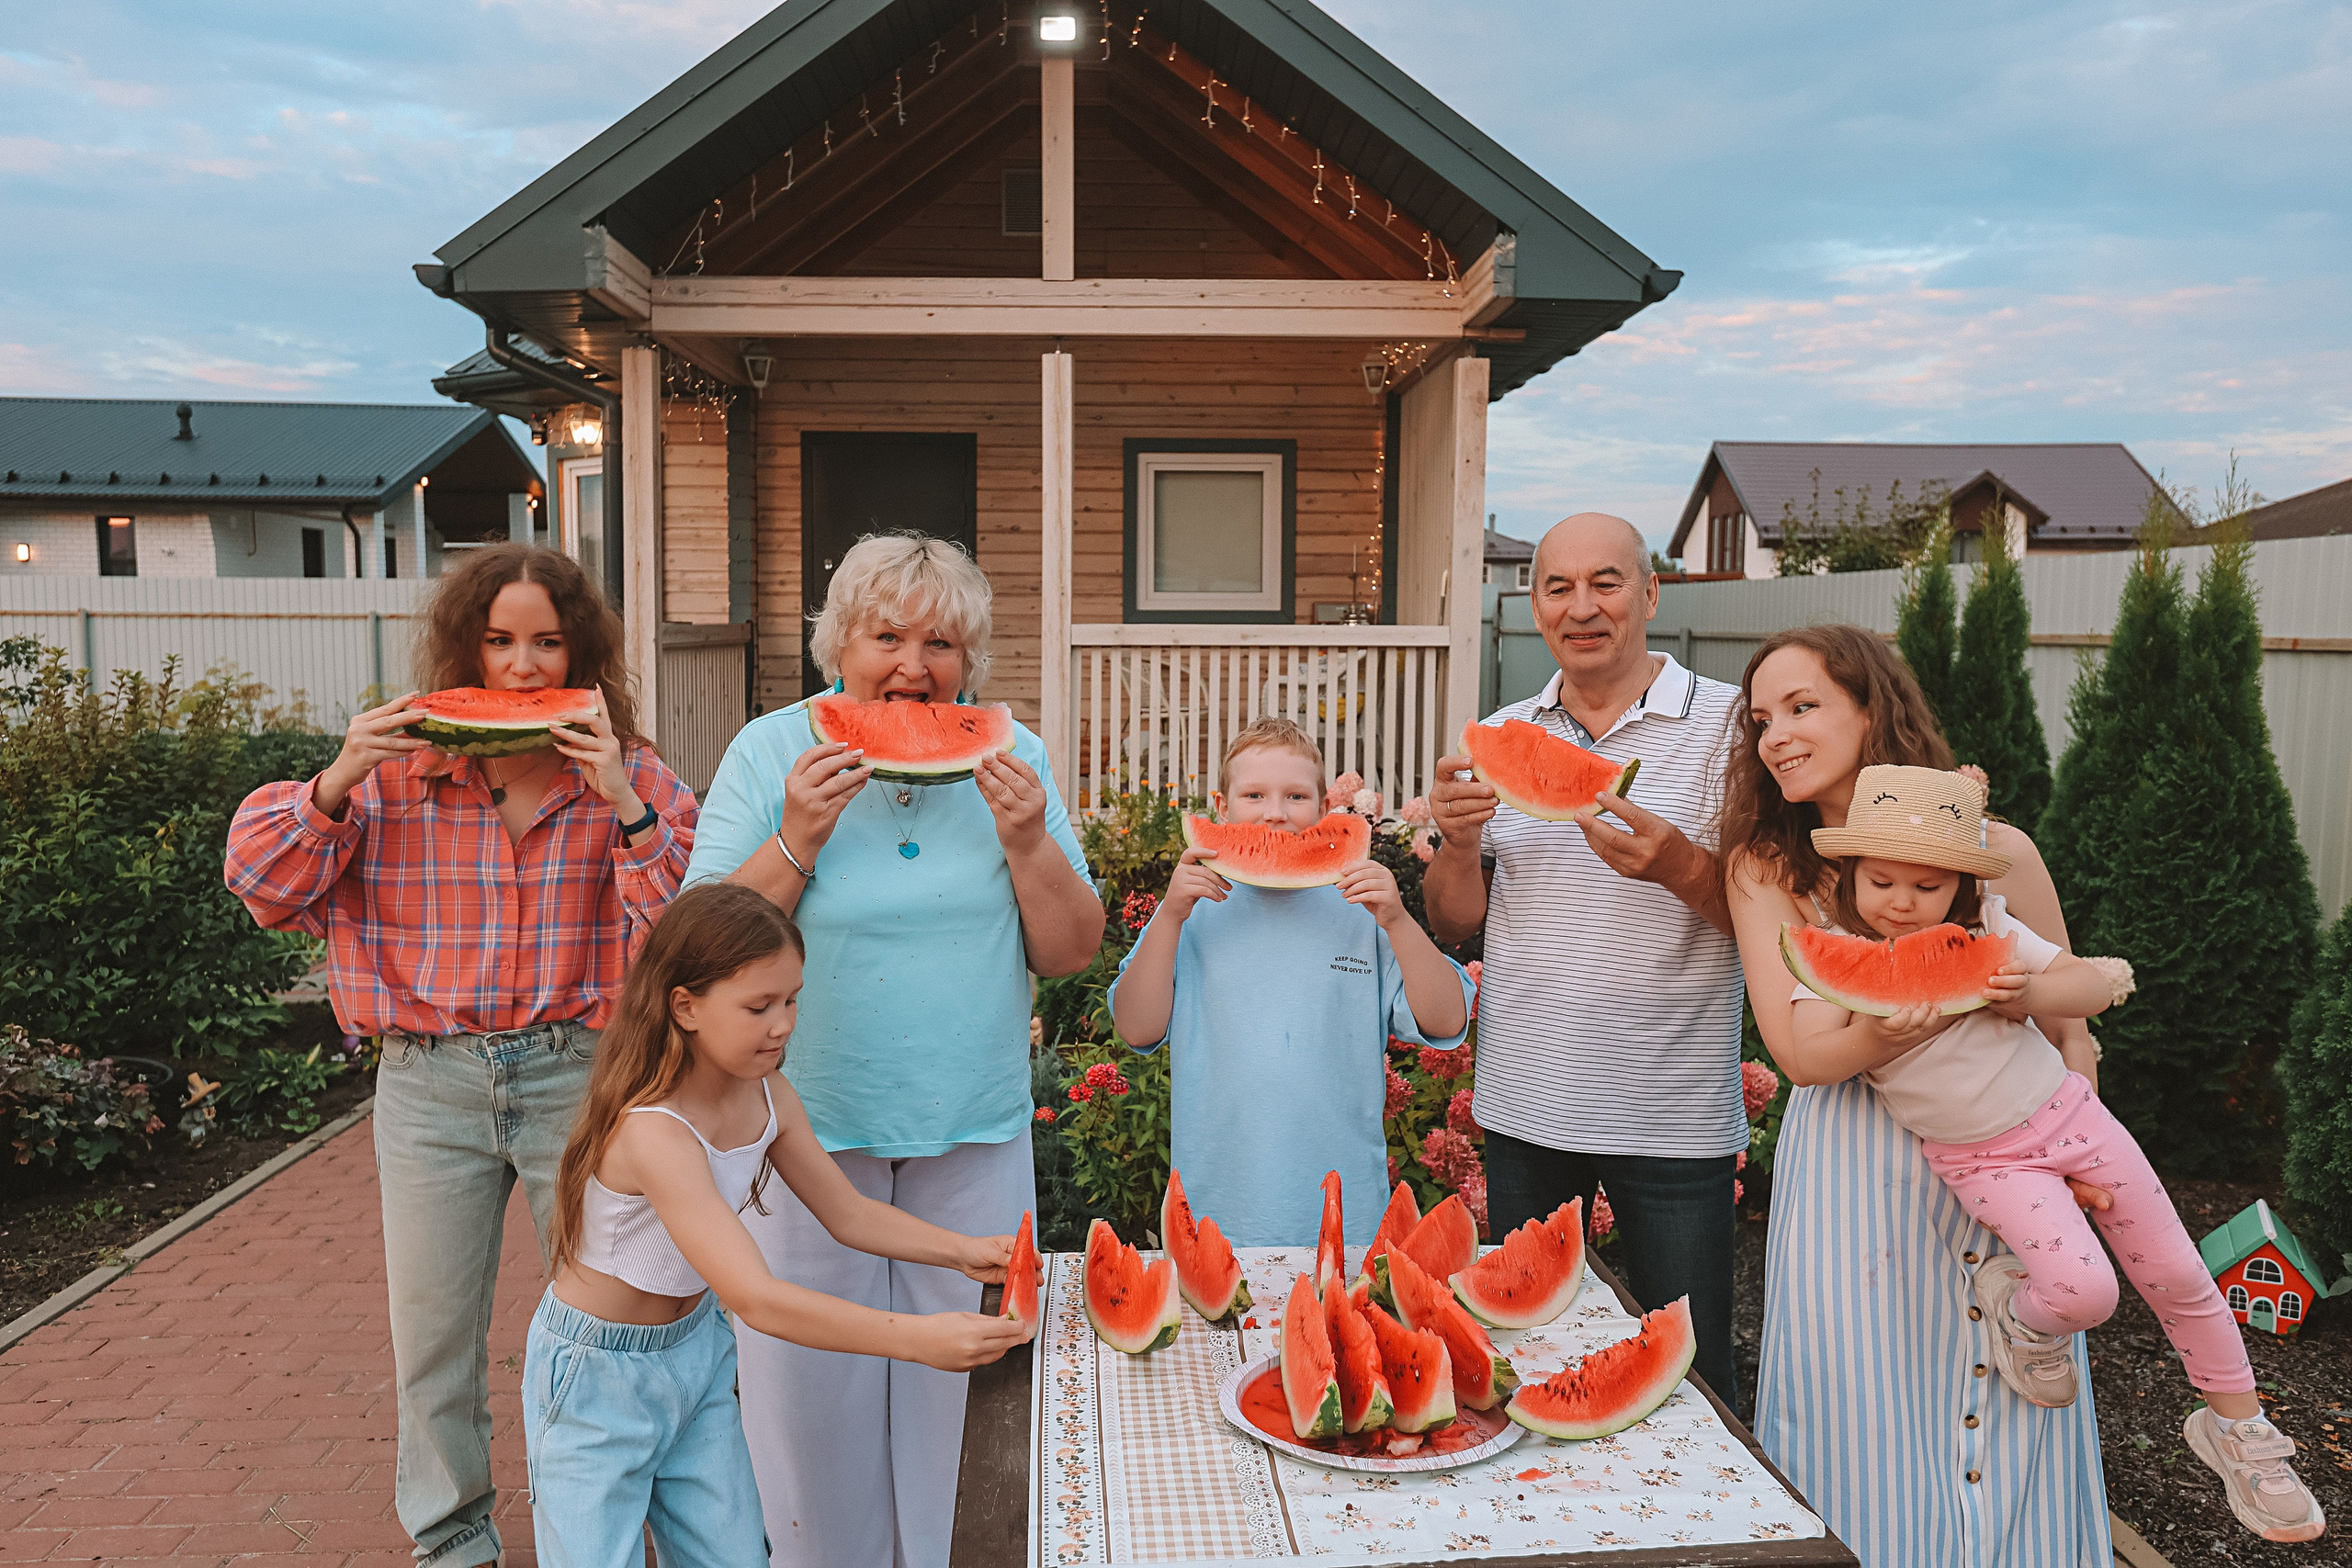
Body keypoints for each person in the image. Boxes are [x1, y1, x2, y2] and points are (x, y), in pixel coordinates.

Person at [224, 544, 696, 1568]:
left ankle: (611, 1534)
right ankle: (452, 1544)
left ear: (582, 650)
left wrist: (622, 799)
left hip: (581, 1077)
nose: (522, 667)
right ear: (463, 648)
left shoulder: (633, 774)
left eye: (545, 641)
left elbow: (685, 941)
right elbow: (263, 890)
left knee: (613, 1329)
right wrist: (338, 775)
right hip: (428, 1084)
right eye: (498, 641)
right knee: (434, 1341)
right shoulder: (392, 775)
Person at [684, 532, 1102, 1568]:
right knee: (807, 1407)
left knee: (959, 1398)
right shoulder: (770, 750)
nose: (915, 666)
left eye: (944, 644)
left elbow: (1070, 950)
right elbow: (698, 944)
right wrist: (796, 840)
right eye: (888, 636)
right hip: (801, 1137)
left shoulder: (1017, 760)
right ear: (839, 644)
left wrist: (1026, 840)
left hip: (973, 1128)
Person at [1785, 765, 2324, 1544]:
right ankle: (2024, 1313)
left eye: (1928, 886)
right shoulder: (1831, 953)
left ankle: (2241, 1435)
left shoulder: (1995, 929)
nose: (1901, 903)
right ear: (1850, 873)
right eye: (1882, 881)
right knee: (2084, 1295)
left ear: (1963, 886)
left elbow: (2090, 986)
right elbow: (1807, 1050)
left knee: (2179, 1272)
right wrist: (1877, 1032)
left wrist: (2023, 995)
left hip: (2073, 1118)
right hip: (1983, 1162)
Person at [1722, 623, 2112, 1565]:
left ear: (1874, 711)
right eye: (1760, 717)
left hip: (2015, 1148)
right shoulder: (1765, 868)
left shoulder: (1998, 851)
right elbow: (1799, 1052)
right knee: (1864, 1400)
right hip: (1859, 1173)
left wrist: (2080, 1147)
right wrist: (1888, 1023)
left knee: (2015, 1388)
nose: (1775, 734)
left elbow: (2069, 1023)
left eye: (1803, 706)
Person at [527, 883, 1030, 1568]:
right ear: (686, 1006)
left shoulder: (769, 1094)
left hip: (695, 1355)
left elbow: (848, 1212)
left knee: (734, 1556)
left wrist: (960, 1249)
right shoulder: (654, 1132)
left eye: (791, 999)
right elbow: (757, 1298)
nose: (782, 1023)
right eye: (758, 1005)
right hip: (597, 1375)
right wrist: (918, 1339)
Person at [1423, 513, 1747, 1406]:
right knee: (1531, 1364)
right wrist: (1453, 848)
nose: (1583, 606)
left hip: (1673, 1118)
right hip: (1528, 1105)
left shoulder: (1729, 726)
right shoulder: (1500, 731)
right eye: (1558, 587)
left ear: (1649, 593)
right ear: (1532, 607)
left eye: (1606, 582)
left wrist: (1683, 868)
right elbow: (1456, 924)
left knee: (1693, 1379)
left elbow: (1779, 917)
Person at [1108, 716, 1473, 1245]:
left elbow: (1447, 1018)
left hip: (1345, 1217)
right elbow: (1137, 1028)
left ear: (1326, 809)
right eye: (1254, 794)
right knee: (1222, 1331)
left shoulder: (1361, 914)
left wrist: (1396, 918)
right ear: (1221, 807)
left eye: (1296, 796)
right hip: (1215, 1215)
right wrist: (1167, 915)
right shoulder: (1191, 916)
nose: (1276, 814)